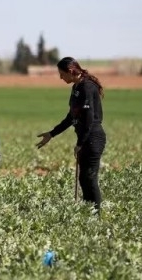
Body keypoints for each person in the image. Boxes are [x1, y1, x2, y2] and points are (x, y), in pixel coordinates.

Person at [36, 56, 107, 213]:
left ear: (70, 71)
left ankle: (96, 215)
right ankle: (89, 212)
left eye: (62, 74)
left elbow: (88, 119)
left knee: (89, 178)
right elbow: (71, 118)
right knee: (83, 178)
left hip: (93, 138)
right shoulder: (76, 88)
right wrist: (51, 134)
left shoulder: (87, 87)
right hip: (86, 138)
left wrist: (80, 143)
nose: (61, 78)